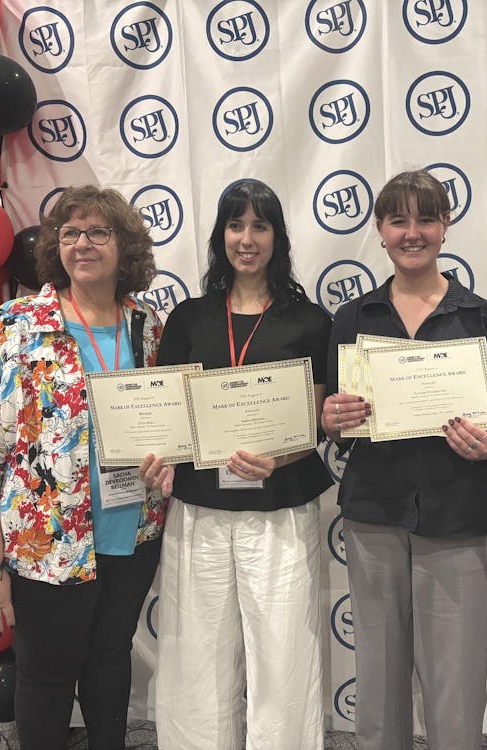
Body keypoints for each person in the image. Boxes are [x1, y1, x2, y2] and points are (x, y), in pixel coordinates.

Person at [0, 185, 172, 750]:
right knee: (46, 677)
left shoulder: (148, 326)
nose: (83, 244)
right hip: (47, 544)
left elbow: (168, 421)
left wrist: (171, 457)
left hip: (132, 530)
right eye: (70, 233)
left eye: (99, 232)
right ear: (56, 247)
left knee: (109, 661)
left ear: (125, 247)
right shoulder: (16, 325)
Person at [321, 170, 487, 750]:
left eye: (425, 219)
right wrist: (329, 420)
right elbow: (331, 417)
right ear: (379, 230)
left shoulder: (486, 320)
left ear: (445, 227)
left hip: (459, 512)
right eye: (398, 220)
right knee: (377, 675)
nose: (412, 232)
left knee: (455, 680)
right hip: (374, 512)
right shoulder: (352, 320)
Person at [153, 179, 332, 750]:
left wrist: (280, 455)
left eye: (259, 225)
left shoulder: (309, 321)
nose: (247, 239)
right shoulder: (188, 319)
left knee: (283, 652)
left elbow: (317, 420)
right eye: (235, 225)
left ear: (278, 237)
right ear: (219, 236)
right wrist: (159, 457)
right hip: (200, 510)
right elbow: (167, 414)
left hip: (278, 508)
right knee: (197, 651)